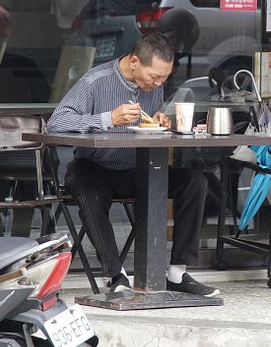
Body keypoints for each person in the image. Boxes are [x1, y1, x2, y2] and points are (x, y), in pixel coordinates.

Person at [47, 32, 218, 296]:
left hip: (138, 168)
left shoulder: (153, 85)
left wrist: (160, 121)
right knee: (90, 194)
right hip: (94, 167)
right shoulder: (95, 81)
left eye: (165, 77)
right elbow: (57, 122)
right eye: (156, 77)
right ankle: (116, 276)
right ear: (135, 61)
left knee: (195, 182)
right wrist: (107, 118)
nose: (159, 83)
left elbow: (147, 124)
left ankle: (177, 273)